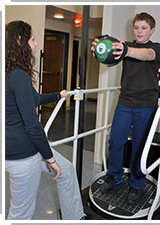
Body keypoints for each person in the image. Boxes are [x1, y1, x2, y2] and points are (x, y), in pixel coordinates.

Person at [5, 20, 91, 220]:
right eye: (33, 40)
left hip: (13, 147)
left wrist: (57, 95)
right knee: (20, 213)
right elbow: (33, 127)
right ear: (20, 41)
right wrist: (50, 159)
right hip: (23, 155)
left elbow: (32, 99)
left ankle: (74, 217)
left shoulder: (9, 72)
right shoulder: (18, 76)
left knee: (67, 170)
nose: (36, 44)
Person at [91, 12, 160, 204]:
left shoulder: (155, 48)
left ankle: (137, 184)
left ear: (152, 30)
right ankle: (115, 176)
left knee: (140, 146)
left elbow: (146, 55)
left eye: (144, 28)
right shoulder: (126, 47)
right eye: (136, 27)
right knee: (115, 141)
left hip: (146, 105)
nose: (139, 31)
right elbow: (111, 55)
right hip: (125, 102)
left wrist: (126, 50)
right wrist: (99, 48)